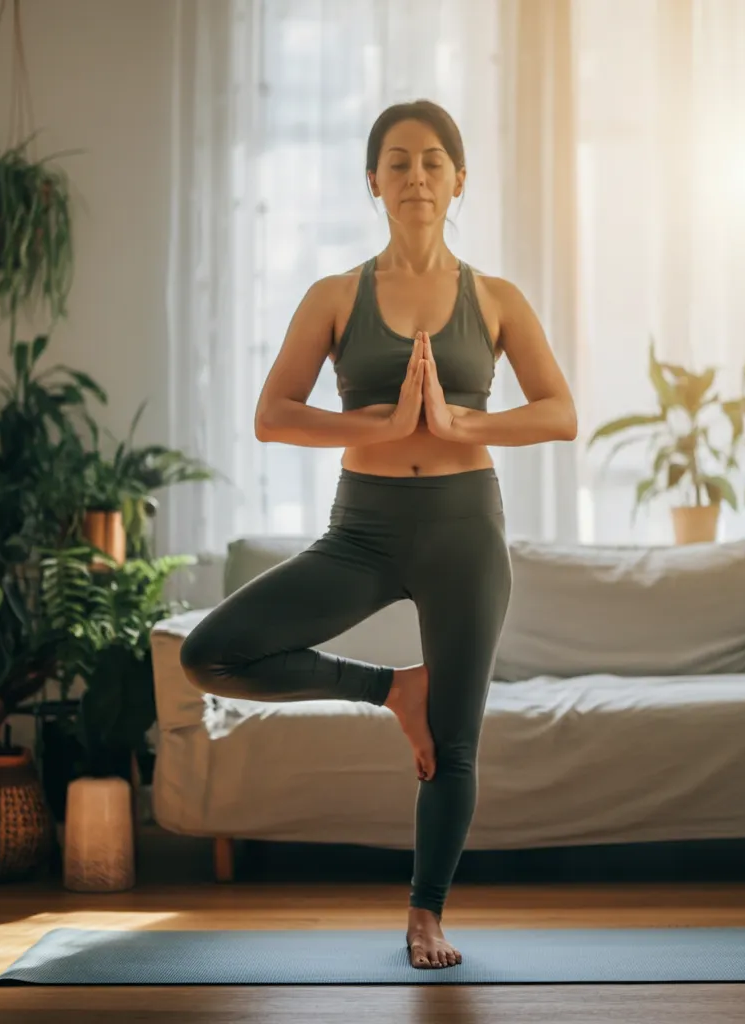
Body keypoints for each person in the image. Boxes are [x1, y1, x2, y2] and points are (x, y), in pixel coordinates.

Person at [179, 99, 577, 970]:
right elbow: (272, 415)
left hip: (464, 531)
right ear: (373, 183)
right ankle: (391, 689)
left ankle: (425, 916)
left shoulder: (498, 299)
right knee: (211, 653)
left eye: (434, 161)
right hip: (361, 530)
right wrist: (382, 424)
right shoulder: (335, 295)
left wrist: (460, 427)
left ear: (459, 180)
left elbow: (560, 413)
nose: (417, 177)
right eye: (397, 163)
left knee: (456, 741)